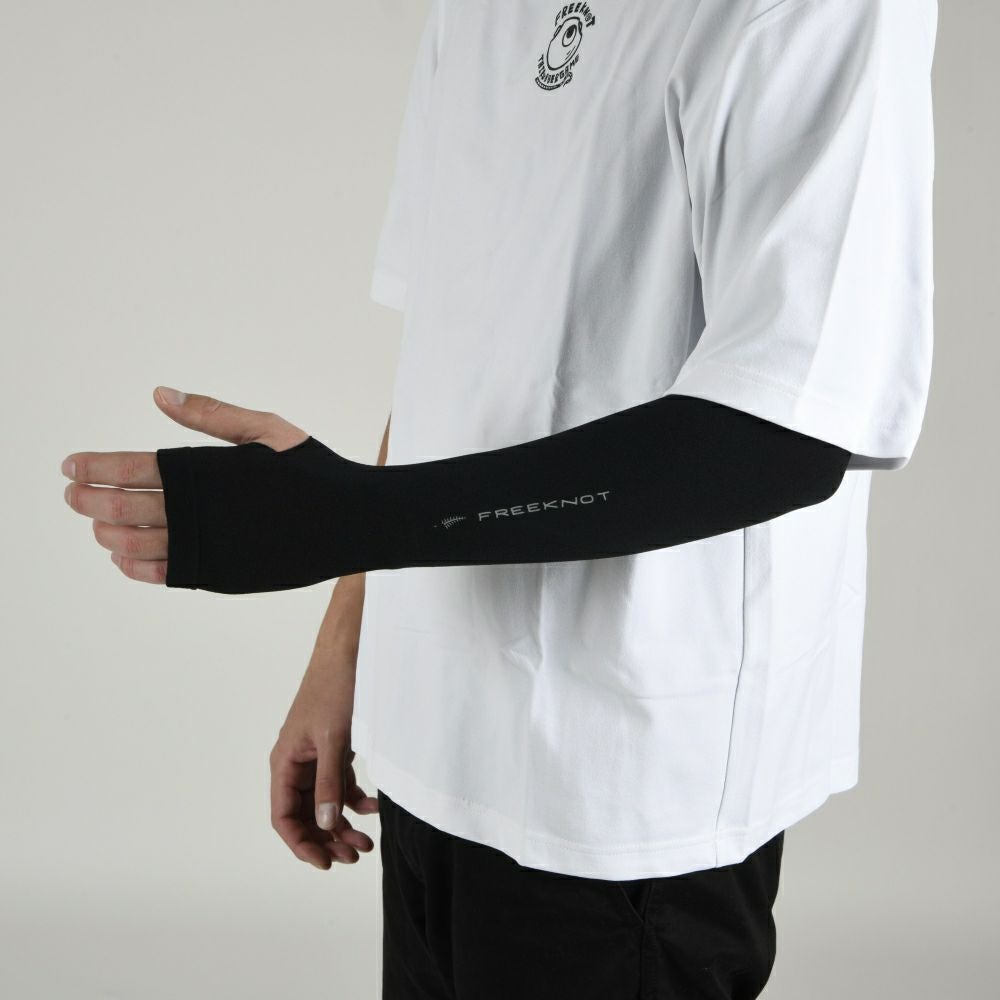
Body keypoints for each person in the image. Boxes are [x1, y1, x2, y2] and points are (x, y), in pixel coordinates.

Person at [61, 0, 938, 996]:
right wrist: (348, 646)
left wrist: (337, 519)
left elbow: (780, 433)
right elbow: (456, 348)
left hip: (624, 797)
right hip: (431, 743)